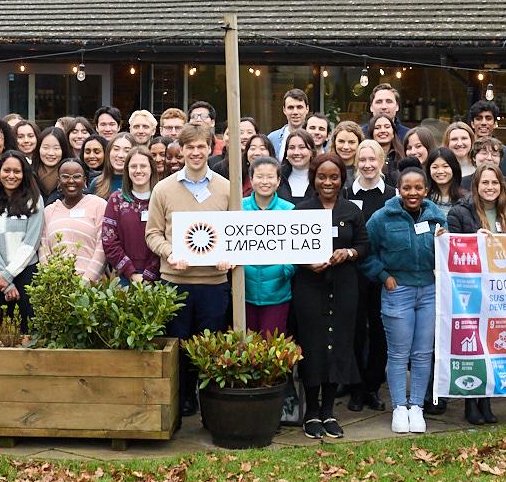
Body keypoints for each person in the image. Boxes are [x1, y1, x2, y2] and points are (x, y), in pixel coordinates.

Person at [147, 125, 233, 414]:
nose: (195, 153)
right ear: (180, 150)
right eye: (189, 147)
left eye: (201, 147)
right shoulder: (163, 188)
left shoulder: (226, 188)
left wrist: (228, 256)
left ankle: (210, 404)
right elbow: (153, 233)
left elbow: (235, 234)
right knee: (179, 348)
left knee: (211, 348)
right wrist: (169, 252)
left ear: (211, 148)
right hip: (176, 282)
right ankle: (182, 401)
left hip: (214, 282)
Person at [364, 164, 447, 434]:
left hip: (430, 289)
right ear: (398, 189)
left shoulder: (437, 218)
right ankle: (400, 406)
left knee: (423, 353)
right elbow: (367, 252)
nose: (413, 193)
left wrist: (446, 243)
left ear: (426, 189)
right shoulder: (382, 218)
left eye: (418, 188)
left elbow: (449, 253)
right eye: (407, 188)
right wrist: (384, 276)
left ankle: (417, 407)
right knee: (399, 353)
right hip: (397, 289)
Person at [291, 156, 363, 440]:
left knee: (339, 345)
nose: (328, 182)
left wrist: (349, 253)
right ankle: (311, 412)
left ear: (342, 178)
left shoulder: (351, 210)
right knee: (313, 346)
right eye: (322, 176)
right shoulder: (301, 210)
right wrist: (305, 263)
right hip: (310, 287)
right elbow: (290, 250)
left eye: (334, 177)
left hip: (344, 287)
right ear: (313, 178)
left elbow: (364, 244)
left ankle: (329, 410)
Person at [446, 165, 506, 426]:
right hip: (471, 290)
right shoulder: (459, 213)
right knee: (473, 347)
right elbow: (451, 248)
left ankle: (486, 400)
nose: (490, 187)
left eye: (495, 183)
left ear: (502, 186)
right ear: (475, 186)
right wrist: (473, 240)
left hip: (500, 291)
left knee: (493, 346)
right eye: (484, 182)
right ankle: (471, 402)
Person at [344, 139, 393, 414]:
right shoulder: (346, 192)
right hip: (351, 275)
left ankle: (372, 387)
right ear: (356, 162)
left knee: (379, 332)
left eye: (372, 159)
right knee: (353, 332)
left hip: (382, 276)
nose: (367, 165)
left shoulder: (393, 195)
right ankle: (355, 388)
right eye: (362, 160)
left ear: (382, 161)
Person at [0, 150, 44, 322]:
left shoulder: (34, 200)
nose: (11, 175)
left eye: (17, 171)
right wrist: (2, 277)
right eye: (6, 170)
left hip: (26, 272)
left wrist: (8, 274)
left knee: (27, 328)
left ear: (24, 174)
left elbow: (31, 242)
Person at [239, 157, 295, 333]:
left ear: (278, 181)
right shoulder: (238, 208)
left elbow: (297, 249)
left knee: (272, 348)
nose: (265, 181)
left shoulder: (289, 210)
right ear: (251, 179)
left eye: (270, 177)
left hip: (277, 294)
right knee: (244, 350)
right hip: (243, 294)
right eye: (259, 176)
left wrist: (287, 269)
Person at [101, 145, 162, 286]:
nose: (138, 170)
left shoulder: (161, 199)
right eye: (133, 166)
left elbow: (167, 237)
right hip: (123, 276)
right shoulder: (116, 199)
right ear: (127, 170)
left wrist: (149, 274)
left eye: (143, 166)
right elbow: (109, 240)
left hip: (158, 276)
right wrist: (131, 272)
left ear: (152, 169)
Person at [42, 160, 107, 283]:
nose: (71, 181)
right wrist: (53, 279)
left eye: (77, 177)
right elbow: (43, 248)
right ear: (59, 182)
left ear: (85, 180)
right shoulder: (49, 211)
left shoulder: (99, 205)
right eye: (65, 177)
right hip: (57, 288)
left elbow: (102, 246)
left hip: (92, 287)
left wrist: (86, 282)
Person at [267, 87, 311, 160]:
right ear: (284, 110)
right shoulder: (272, 139)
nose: (295, 112)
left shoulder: (315, 137)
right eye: (291, 107)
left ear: (307, 109)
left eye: (299, 107)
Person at [277, 130, 316, 204]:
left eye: (302, 147)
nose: (296, 152)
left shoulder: (320, 178)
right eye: (292, 148)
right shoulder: (277, 177)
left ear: (311, 152)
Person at [35, 126, 70, 199]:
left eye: (56, 148)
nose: (51, 153)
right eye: (45, 147)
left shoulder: (72, 175)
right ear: (38, 148)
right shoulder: (29, 174)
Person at [78, 133, 113, 199]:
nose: (91, 156)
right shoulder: (77, 175)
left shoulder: (112, 177)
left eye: (97, 152)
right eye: (87, 152)